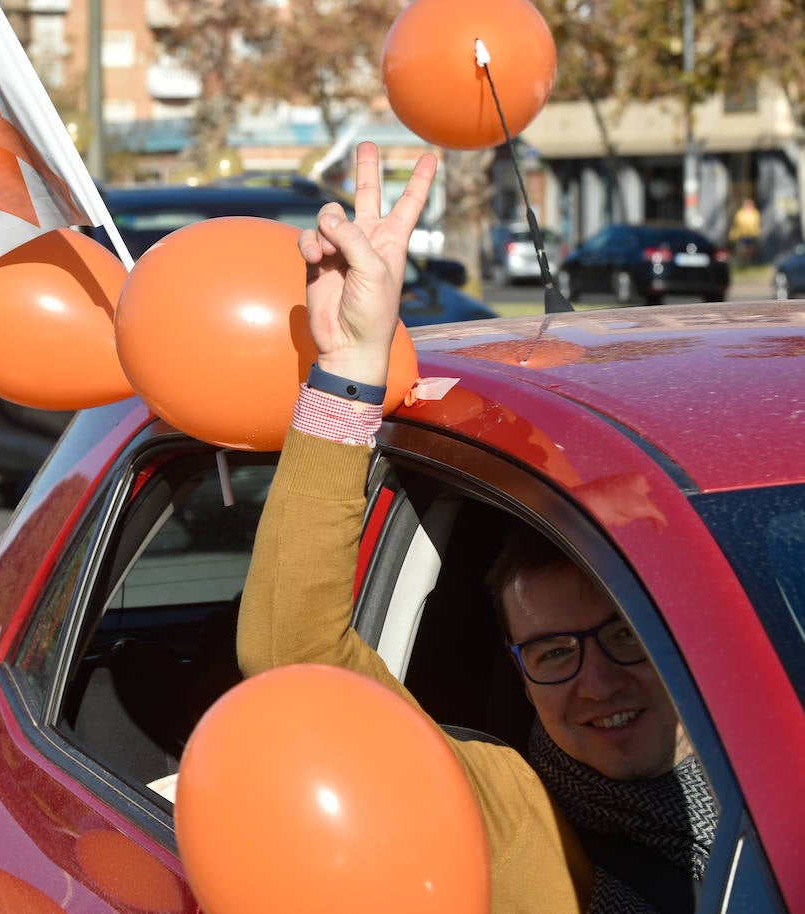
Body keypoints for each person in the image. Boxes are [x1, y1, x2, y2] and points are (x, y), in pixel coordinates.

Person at [235, 141, 716, 914]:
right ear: (518, 671)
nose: (596, 684)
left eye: (626, 636)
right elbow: (293, 660)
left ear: (689, 638)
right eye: (554, 653)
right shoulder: (504, 810)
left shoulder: (776, 745)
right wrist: (351, 364)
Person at [728, 197, 761, 264]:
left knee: (750, 250)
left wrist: (757, 231)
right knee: (742, 249)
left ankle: (748, 262)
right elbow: (736, 224)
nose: (746, 206)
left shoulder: (755, 213)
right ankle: (742, 262)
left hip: (752, 235)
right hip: (741, 235)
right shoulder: (740, 213)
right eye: (745, 204)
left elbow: (757, 223)